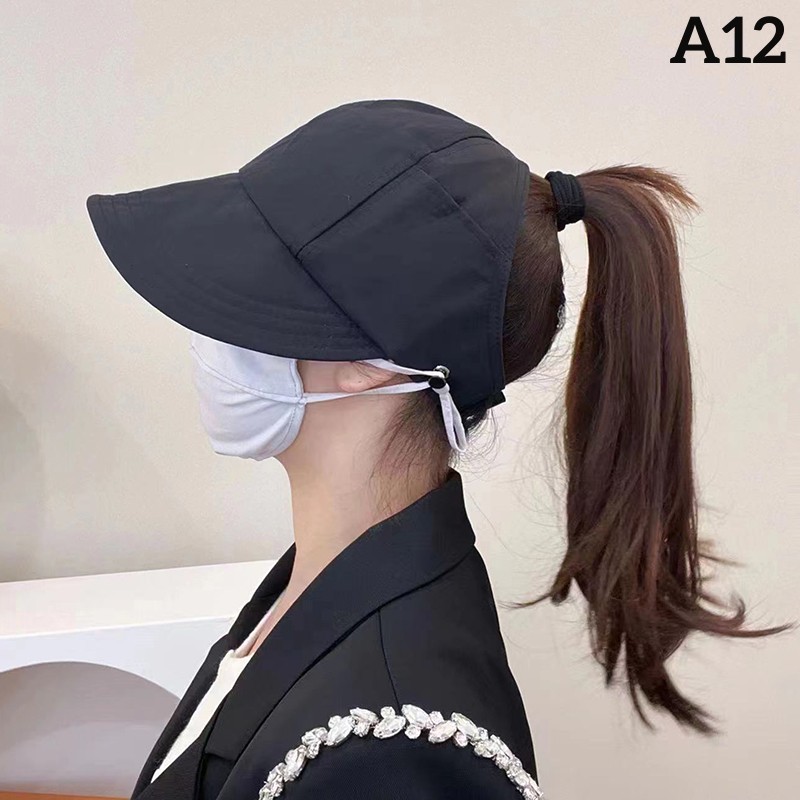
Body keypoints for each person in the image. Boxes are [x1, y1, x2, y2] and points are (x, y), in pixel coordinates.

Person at [85, 99, 787, 800]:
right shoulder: (318, 589)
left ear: (370, 362)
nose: (208, 336)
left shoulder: (388, 755)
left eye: (249, 298)